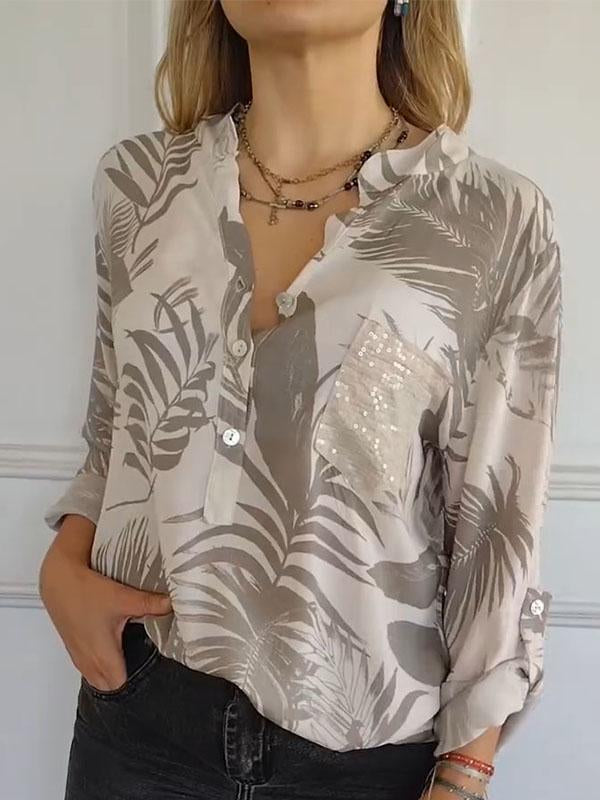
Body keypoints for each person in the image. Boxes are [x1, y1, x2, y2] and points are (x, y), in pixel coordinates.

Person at [39, 1, 563, 799]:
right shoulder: (135, 187)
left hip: (365, 758)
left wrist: (464, 776)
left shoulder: (492, 220)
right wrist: (62, 570)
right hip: (139, 723)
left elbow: (497, 535)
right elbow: (114, 435)